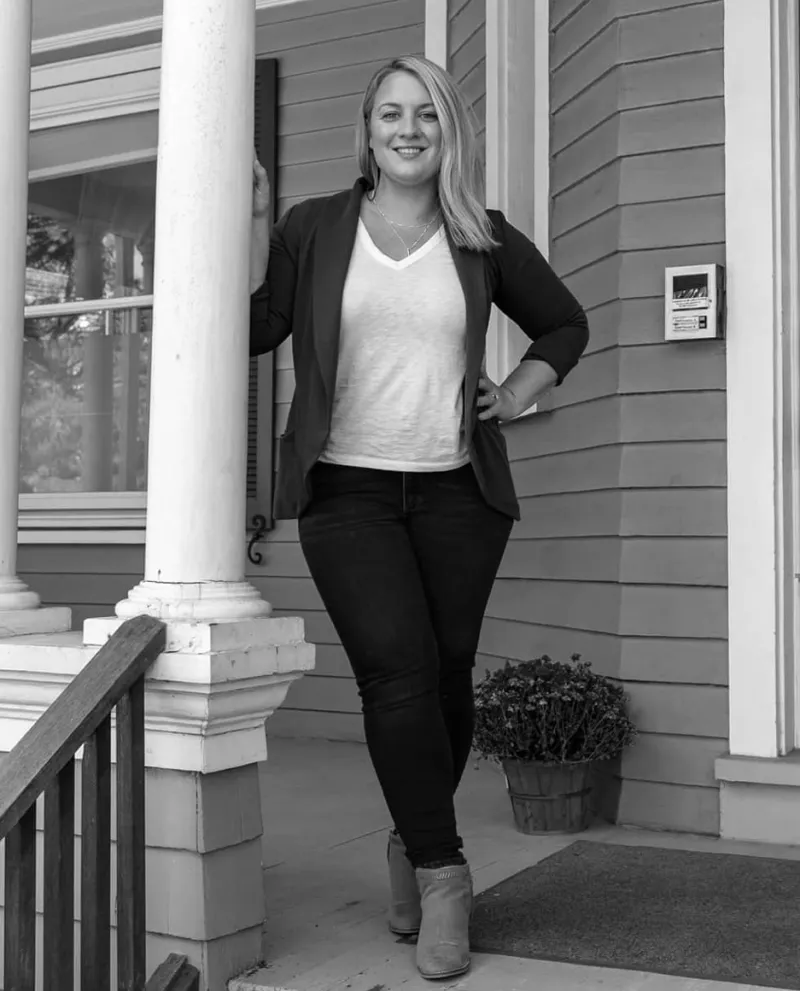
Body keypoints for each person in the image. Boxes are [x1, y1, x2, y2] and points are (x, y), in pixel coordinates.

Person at [249, 55, 589, 981]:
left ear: (449, 133)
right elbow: (253, 327)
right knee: (395, 674)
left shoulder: (481, 235)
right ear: (365, 130)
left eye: (427, 116)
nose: (409, 130)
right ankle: (445, 875)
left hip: (454, 493)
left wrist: (518, 391)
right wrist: (244, 230)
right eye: (392, 114)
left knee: (443, 682)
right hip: (346, 491)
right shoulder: (313, 228)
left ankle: (411, 837)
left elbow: (564, 324)